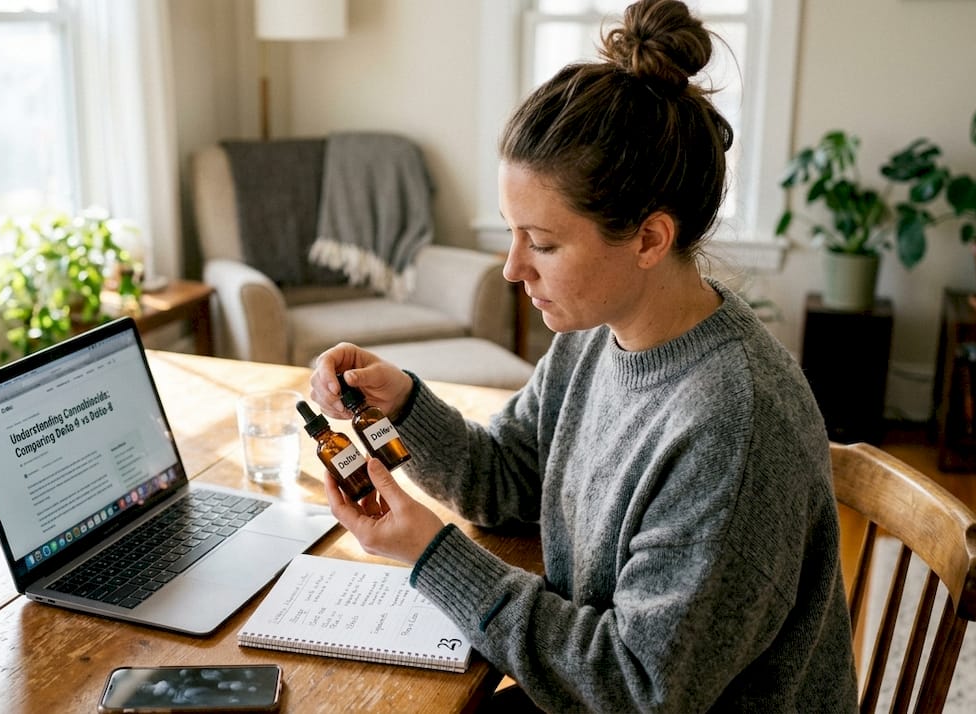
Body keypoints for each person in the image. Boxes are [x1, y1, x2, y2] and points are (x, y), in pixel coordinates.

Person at [305, 0, 858, 711]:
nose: (512, 269)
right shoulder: (597, 334)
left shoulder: (732, 426)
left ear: (649, 239)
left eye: (543, 243)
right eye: (512, 233)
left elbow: (638, 687)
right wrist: (404, 403)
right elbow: (505, 478)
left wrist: (431, 554)